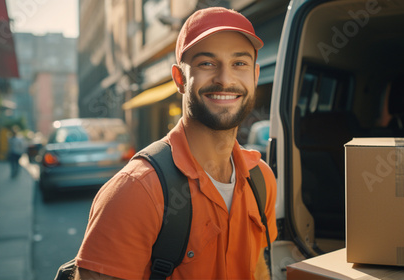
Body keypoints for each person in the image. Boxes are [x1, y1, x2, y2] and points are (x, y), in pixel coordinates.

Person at [74, 7, 277, 280]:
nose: (225, 79)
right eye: (207, 63)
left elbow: (258, 269)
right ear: (179, 79)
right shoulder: (136, 192)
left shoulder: (261, 179)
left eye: (239, 63)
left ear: (254, 75)